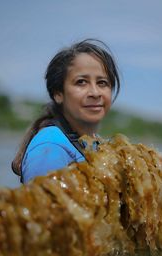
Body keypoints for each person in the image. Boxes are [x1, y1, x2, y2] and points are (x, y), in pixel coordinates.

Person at [12, 39, 120, 184]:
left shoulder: (98, 144)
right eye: (81, 82)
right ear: (58, 93)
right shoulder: (50, 148)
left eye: (102, 83)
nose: (95, 93)